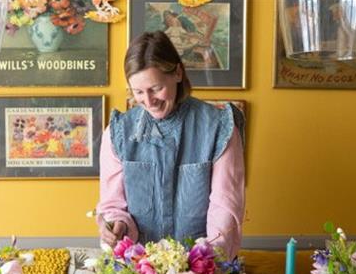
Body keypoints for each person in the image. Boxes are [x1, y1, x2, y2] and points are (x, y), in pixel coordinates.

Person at [96, 31, 245, 260]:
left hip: (204, 272)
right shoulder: (117, 134)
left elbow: (224, 207)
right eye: (138, 92)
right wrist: (116, 226)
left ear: (177, 72)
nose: (148, 100)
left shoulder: (219, 128)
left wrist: (203, 261)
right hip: (137, 273)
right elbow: (114, 205)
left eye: (155, 88)